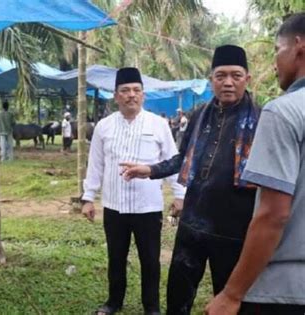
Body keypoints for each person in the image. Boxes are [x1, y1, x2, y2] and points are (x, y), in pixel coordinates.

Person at [120, 45, 261, 315]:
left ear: (247, 79)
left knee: (228, 298)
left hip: (234, 226)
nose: (228, 82)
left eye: (235, 75)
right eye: (220, 76)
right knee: (178, 295)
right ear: (212, 80)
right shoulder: (199, 116)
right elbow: (182, 158)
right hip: (193, 221)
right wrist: (149, 169)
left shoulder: (261, 119)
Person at [205, 13, 305, 315]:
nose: (275, 61)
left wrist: (232, 294)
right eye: (220, 76)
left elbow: (273, 214)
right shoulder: (201, 118)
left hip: (283, 288)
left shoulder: (279, 113)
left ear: (298, 46)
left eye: (277, 49)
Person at [81, 67, 186, 315]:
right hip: (114, 205)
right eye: (125, 91)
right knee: (116, 258)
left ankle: (151, 307)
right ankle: (113, 302)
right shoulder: (104, 127)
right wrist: (88, 198)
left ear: (143, 95)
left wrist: (179, 195)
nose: (131, 95)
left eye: (136, 90)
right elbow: (95, 165)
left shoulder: (158, 125)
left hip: (147, 207)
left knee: (150, 260)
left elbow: (173, 162)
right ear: (116, 95)